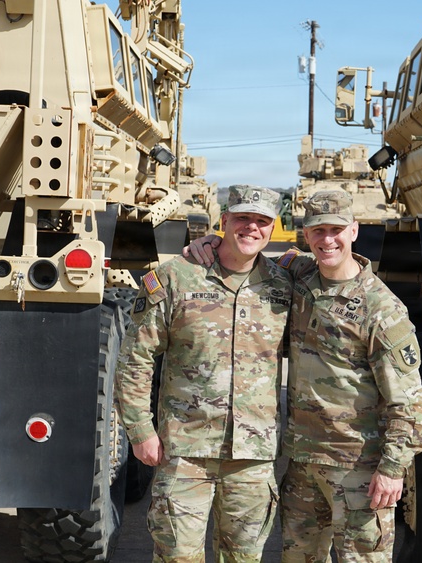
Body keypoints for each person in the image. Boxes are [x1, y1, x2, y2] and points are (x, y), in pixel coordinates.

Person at [187, 189, 422, 562]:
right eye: (317, 230)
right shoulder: (298, 275)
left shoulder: (381, 309)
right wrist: (211, 242)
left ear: (354, 230)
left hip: (357, 470)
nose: (326, 240)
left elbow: (409, 401)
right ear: (305, 234)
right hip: (302, 466)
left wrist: (393, 469)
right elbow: (246, 254)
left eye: (335, 229)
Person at [115, 185, 292, 562]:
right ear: (224, 220)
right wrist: (140, 430)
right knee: (177, 556)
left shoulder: (284, 285)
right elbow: (136, 357)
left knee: (243, 558)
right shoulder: (175, 277)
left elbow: (333, 265)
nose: (252, 228)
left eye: (262, 221)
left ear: (272, 228)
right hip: (185, 451)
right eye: (242, 218)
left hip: (252, 457)